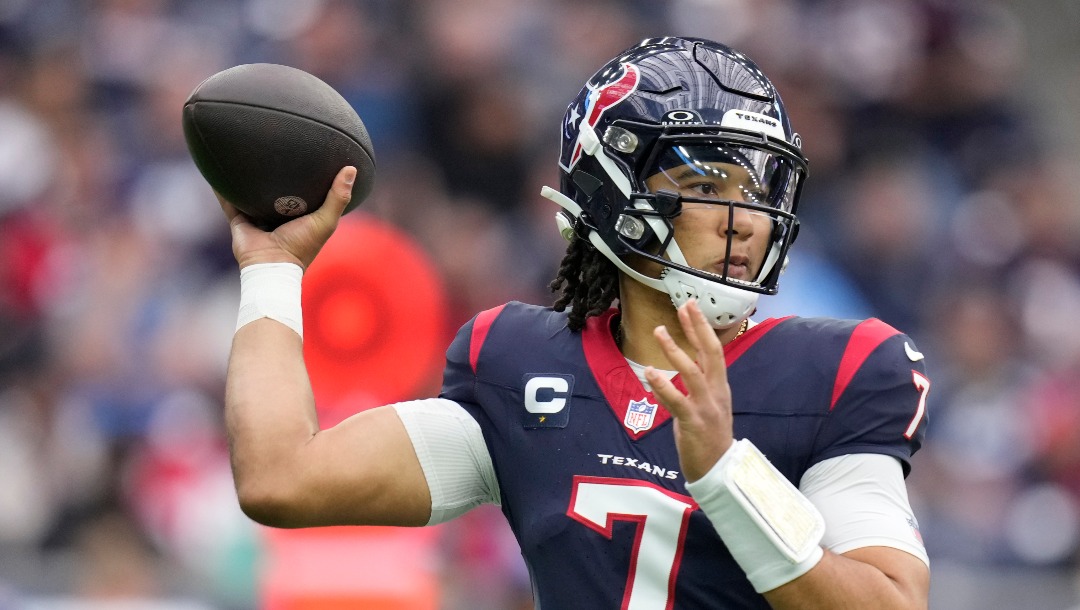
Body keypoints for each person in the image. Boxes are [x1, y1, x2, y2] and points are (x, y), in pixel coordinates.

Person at [219, 37, 931, 609]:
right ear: (609, 196)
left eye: (755, 188)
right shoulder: (521, 365)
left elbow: (892, 604)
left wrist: (726, 474)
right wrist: (273, 268)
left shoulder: (842, 371)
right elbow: (282, 477)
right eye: (707, 187)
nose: (743, 220)